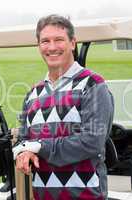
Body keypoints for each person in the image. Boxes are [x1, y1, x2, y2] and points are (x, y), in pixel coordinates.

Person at [13, 14, 114, 200]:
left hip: (86, 196)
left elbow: (92, 142)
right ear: (39, 46)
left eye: (59, 40)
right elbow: (23, 139)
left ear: (73, 43)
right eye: (45, 41)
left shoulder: (93, 84)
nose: (51, 47)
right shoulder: (33, 94)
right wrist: (22, 152)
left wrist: (39, 146)